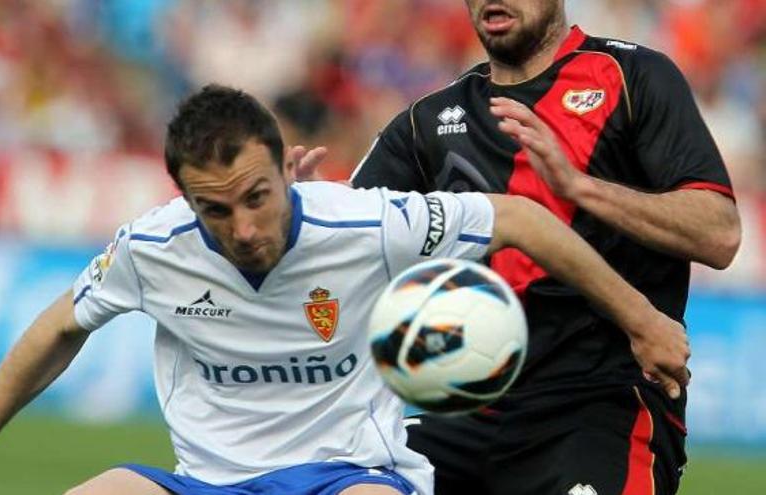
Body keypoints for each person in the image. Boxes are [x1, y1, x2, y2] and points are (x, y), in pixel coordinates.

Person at [0, 84, 690, 495]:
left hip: (349, 475)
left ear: (282, 165)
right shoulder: (154, 247)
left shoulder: (361, 224)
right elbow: (59, 325)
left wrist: (644, 319)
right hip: (208, 482)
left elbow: (521, 217)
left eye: (258, 195)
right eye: (216, 209)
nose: (244, 226)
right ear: (184, 199)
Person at [298, 1, 740, 494]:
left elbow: (719, 234)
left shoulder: (634, 76)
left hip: (602, 403)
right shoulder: (430, 121)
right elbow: (344, 239)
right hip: (466, 407)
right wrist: (310, 218)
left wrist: (581, 188)